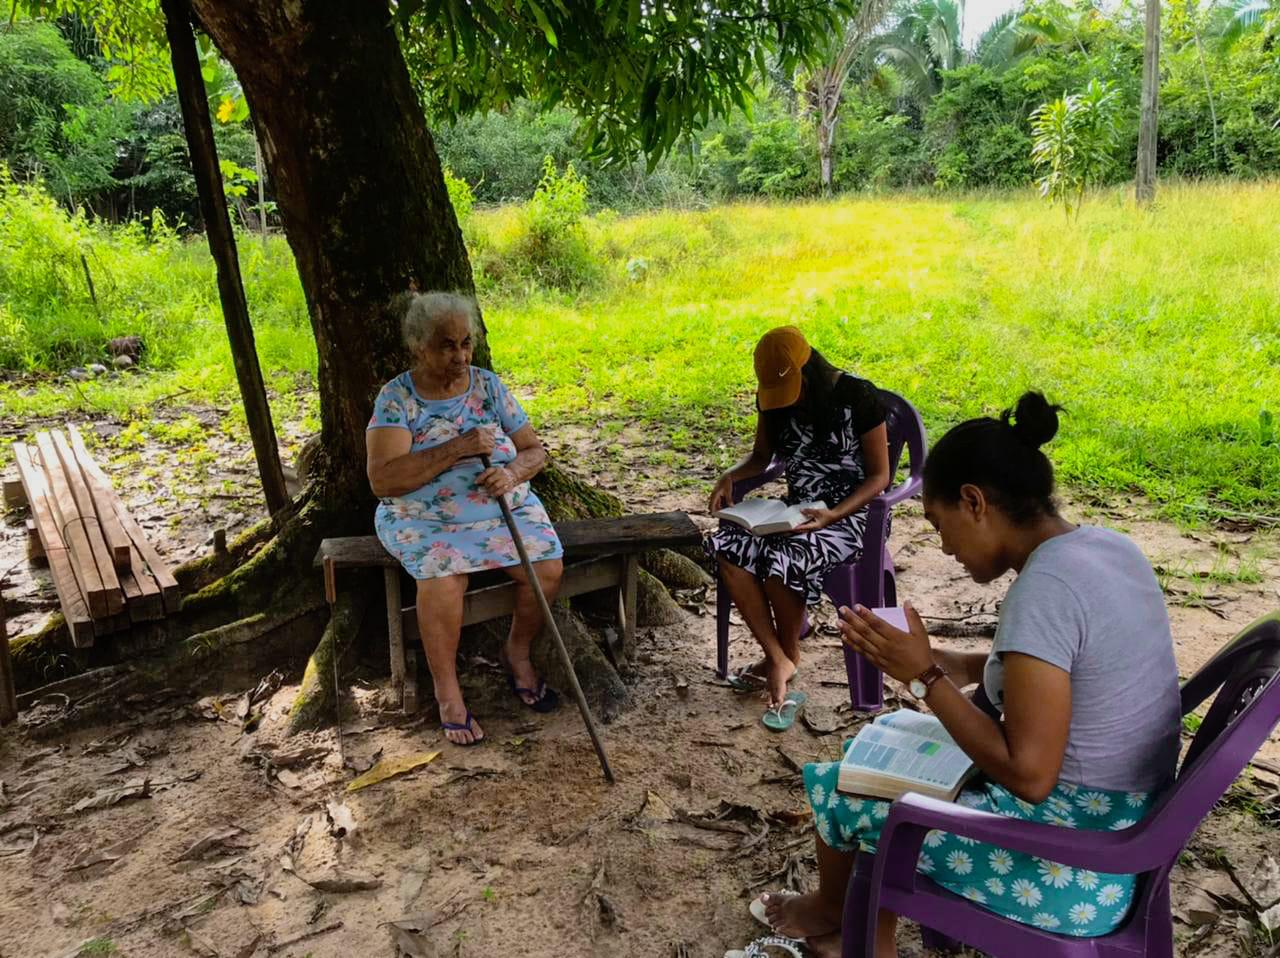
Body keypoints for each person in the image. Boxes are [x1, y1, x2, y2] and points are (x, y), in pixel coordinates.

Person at [759, 392, 1181, 957]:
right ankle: (845, 925)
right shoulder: (1105, 547)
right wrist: (957, 664)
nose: (945, 546)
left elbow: (1029, 777)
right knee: (871, 762)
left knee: (846, 792)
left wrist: (928, 677)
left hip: (1073, 861)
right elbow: (1075, 669)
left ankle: (841, 921)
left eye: (939, 525)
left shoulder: (1043, 591)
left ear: (974, 501)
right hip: (1128, 822)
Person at [366, 291, 564, 746]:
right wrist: (457, 446)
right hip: (425, 517)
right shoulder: (397, 399)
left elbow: (536, 450)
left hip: (499, 509)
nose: (459, 356)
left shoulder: (488, 386)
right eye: (446, 345)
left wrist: (512, 473)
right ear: (419, 346)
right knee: (442, 581)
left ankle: (517, 653)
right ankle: (448, 691)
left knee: (547, 568)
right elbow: (383, 480)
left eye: (465, 344)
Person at [706, 326, 891, 711]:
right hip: (797, 509)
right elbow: (761, 459)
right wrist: (731, 476)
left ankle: (788, 652)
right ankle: (778, 657)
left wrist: (834, 513)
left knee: (783, 556)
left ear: (809, 370)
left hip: (851, 517)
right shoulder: (773, 401)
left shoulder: (858, 397)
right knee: (727, 546)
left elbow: (880, 476)